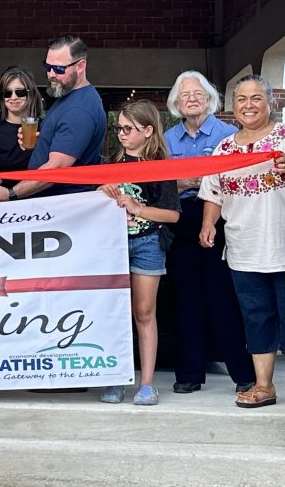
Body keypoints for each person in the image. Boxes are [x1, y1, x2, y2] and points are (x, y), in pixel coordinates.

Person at [199, 74, 285, 409]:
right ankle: (264, 385)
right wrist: (208, 224)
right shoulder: (224, 148)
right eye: (241, 99)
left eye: (256, 98)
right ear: (232, 107)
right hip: (243, 248)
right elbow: (213, 192)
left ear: (271, 103)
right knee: (256, 317)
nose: (249, 105)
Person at [163, 70, 256, 396]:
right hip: (180, 219)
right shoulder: (168, 139)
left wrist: (189, 180)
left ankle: (243, 374)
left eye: (197, 93)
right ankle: (189, 374)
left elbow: (232, 178)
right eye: (184, 94)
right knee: (185, 301)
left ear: (210, 99)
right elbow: (163, 183)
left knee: (223, 299)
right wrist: (197, 178)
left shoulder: (229, 135)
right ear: (176, 102)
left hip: (218, 218)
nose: (191, 98)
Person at [97, 101, 181, 407]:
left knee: (144, 313)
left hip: (147, 244)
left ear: (148, 131)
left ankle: (146, 383)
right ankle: (116, 379)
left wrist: (138, 208)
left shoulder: (161, 167)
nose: (122, 134)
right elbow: (94, 206)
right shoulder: (111, 163)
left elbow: (173, 215)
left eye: (128, 128)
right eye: (119, 128)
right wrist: (100, 192)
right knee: (114, 314)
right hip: (113, 246)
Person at [0, 35, 106, 203]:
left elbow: (56, 169)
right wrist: (41, 142)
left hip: (62, 206)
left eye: (59, 69)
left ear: (80, 66)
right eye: (47, 67)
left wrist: (10, 194)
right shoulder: (68, 96)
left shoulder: (79, 110)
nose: (51, 74)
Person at [0, 66, 43, 204]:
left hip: (33, 204)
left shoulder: (45, 127)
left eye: (20, 92)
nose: (13, 97)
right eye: (7, 93)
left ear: (30, 94)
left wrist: (41, 145)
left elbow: (53, 167)